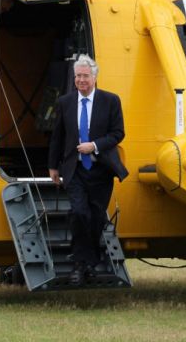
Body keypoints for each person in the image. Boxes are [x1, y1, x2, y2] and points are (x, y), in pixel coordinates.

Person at [48, 54, 129, 286]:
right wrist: (53, 166)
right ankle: (80, 264)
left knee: (95, 218)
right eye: (77, 76)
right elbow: (58, 136)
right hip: (74, 169)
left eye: (85, 76)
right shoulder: (65, 102)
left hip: (101, 169)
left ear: (94, 77)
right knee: (79, 212)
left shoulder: (110, 101)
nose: (81, 80)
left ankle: (87, 262)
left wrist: (93, 146)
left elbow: (118, 133)